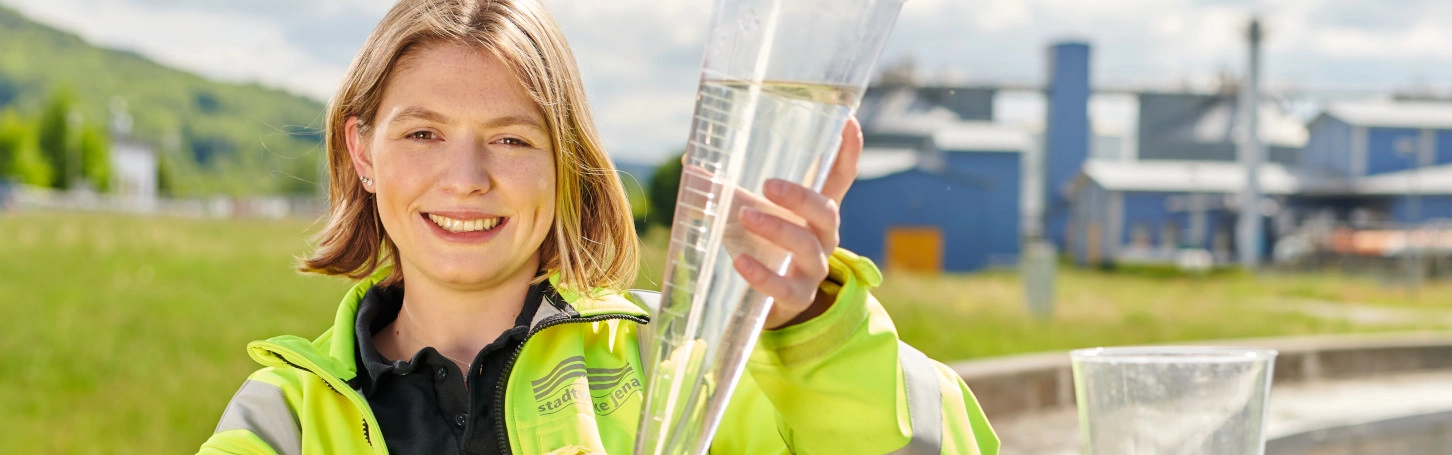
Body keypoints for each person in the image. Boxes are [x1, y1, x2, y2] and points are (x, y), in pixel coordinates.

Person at [195, 0, 998, 453]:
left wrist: (816, 330)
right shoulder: (286, 419)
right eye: (423, 133)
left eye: (512, 139)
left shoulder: (682, 369)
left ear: (566, 163)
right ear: (362, 152)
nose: (467, 178)